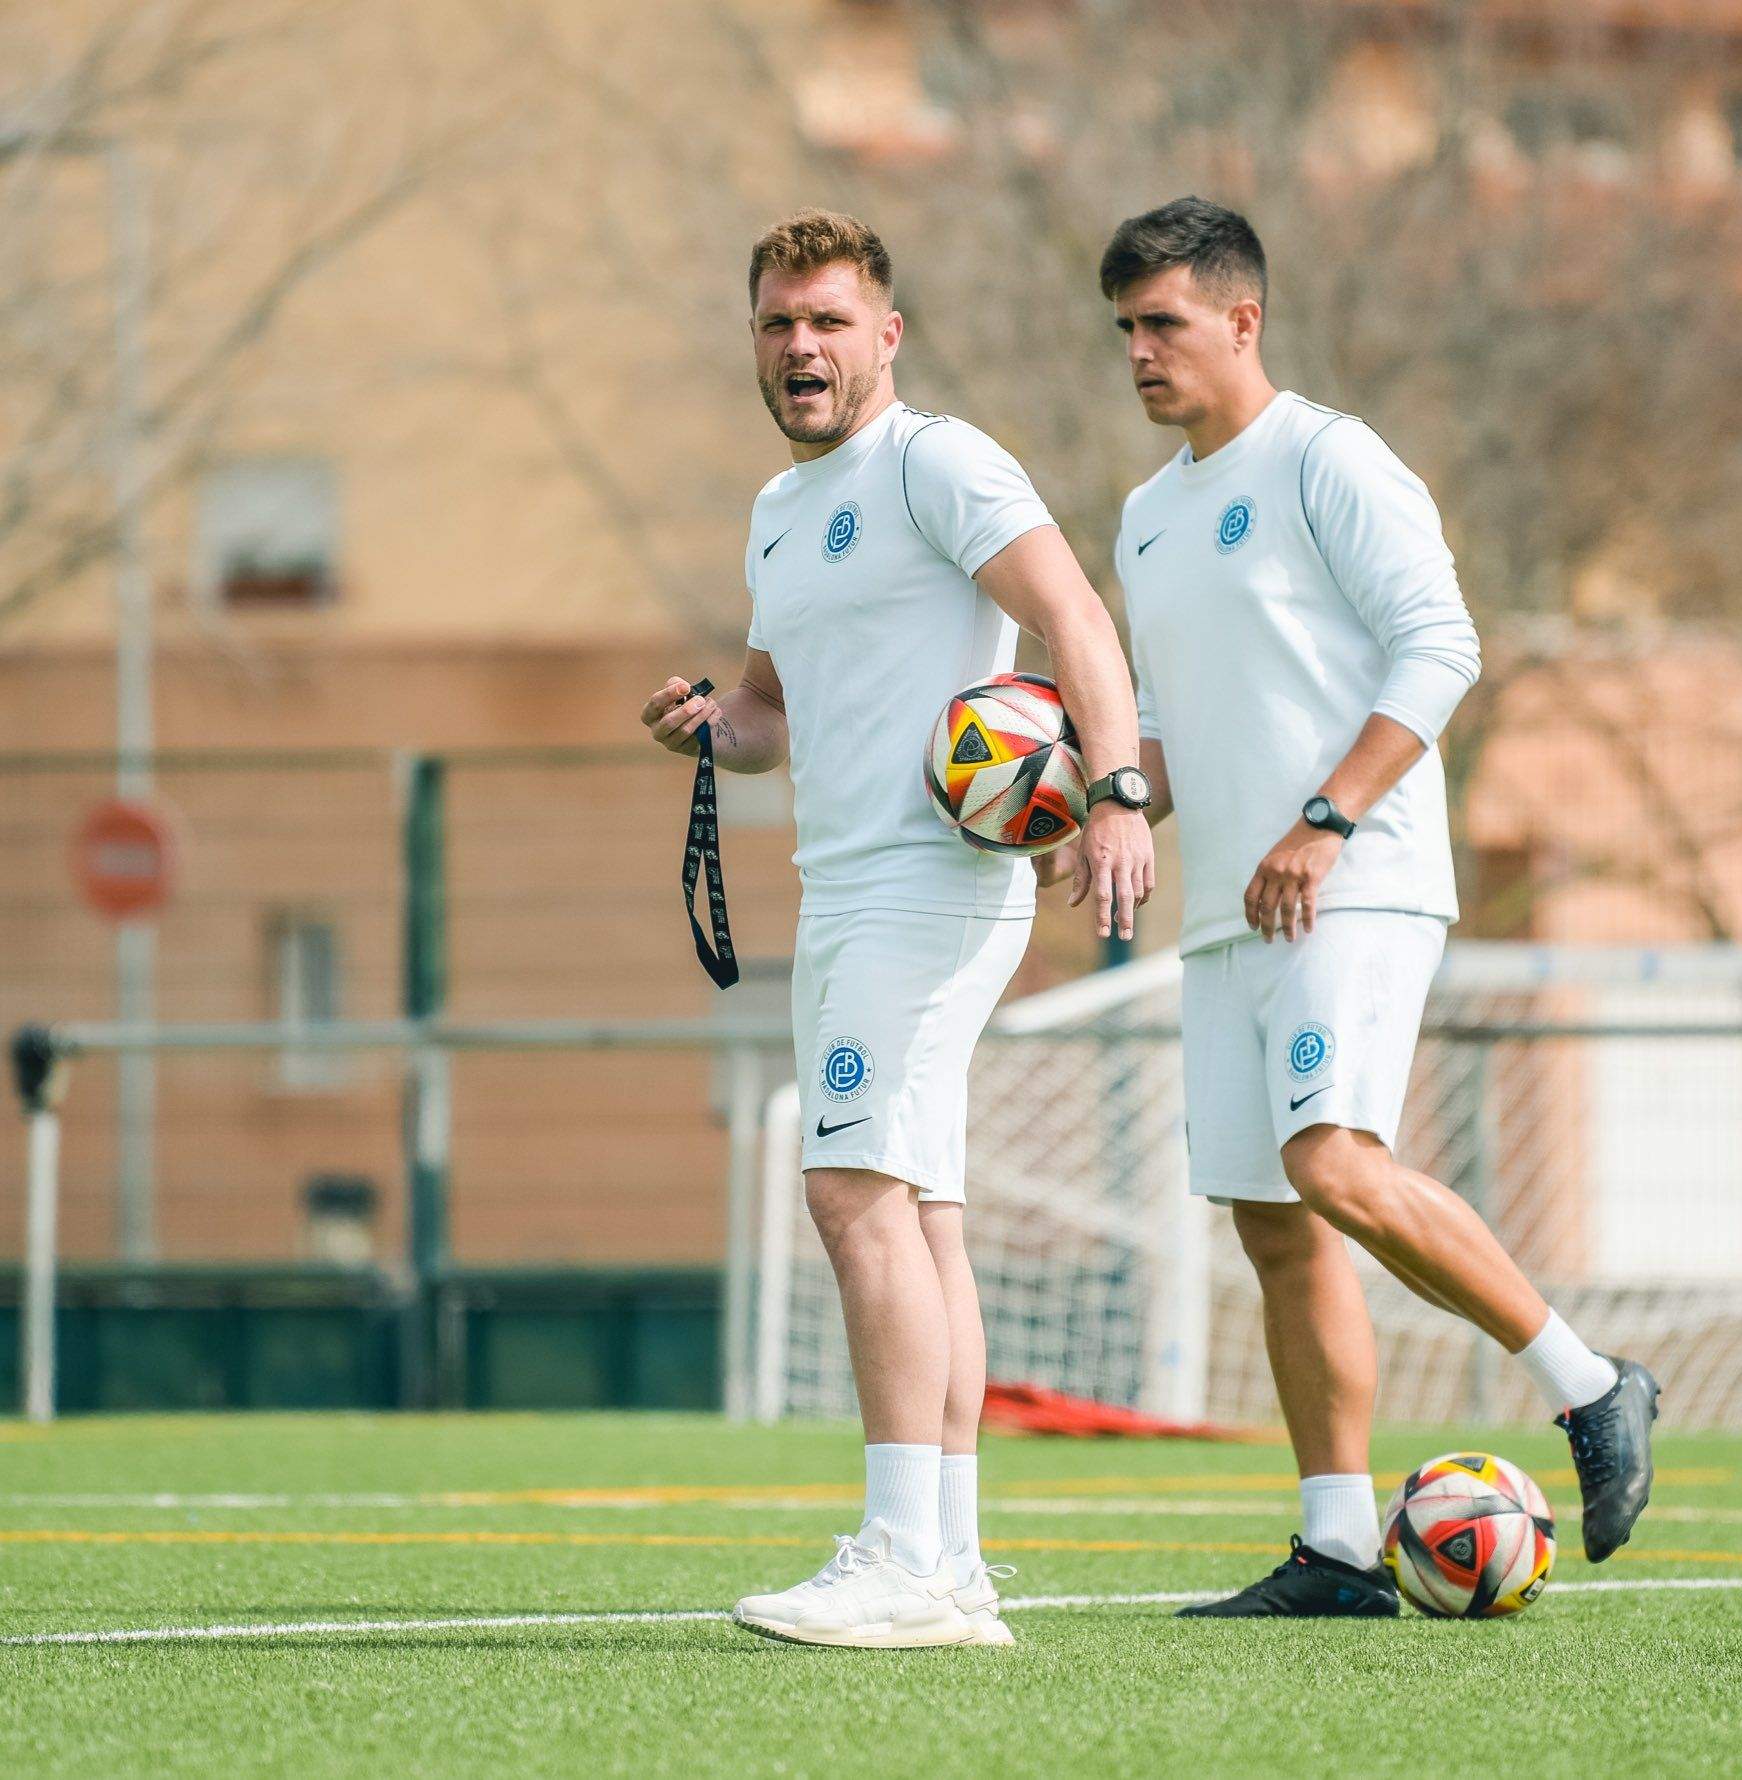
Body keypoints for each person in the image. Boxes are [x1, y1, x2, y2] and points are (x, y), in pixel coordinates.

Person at [1056, 195, 1655, 1618]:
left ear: (1243, 319)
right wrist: (1101, 806)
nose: (1138, 352)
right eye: (1124, 329)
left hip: (1353, 879)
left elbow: (1442, 647)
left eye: (1163, 324)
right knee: (1274, 1221)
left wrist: (1324, 822)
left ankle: (1590, 1384)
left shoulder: (1331, 458)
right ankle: (1335, 1547)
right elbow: (1175, 727)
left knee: (1330, 1160)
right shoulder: (1146, 518)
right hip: (1232, 911)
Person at [643, 209, 1154, 1647]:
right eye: (777, 322)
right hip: (845, 889)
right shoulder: (777, 508)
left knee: (849, 1192)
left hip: (933, 886)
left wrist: (1116, 795)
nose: (800, 346)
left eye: (827, 320)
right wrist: (708, 727)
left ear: (886, 334)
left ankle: (899, 1558)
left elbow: (1078, 620)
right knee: (920, 1214)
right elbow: (771, 711)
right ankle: (955, 1564)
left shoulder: (939, 462)